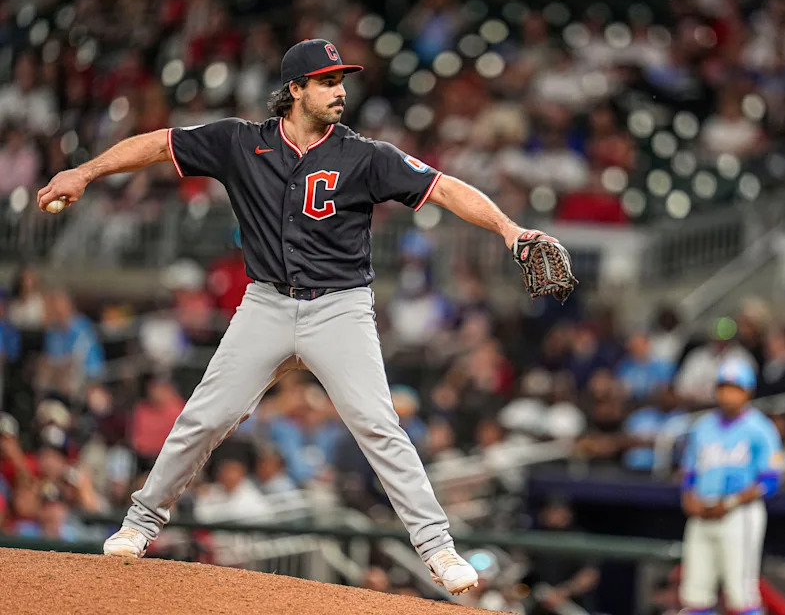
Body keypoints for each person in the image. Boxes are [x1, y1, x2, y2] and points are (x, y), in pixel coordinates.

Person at [37, 38, 568, 595]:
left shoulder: (365, 155)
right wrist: (87, 171)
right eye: (326, 81)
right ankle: (139, 525)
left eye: (341, 81)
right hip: (266, 303)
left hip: (339, 308)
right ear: (294, 89)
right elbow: (158, 144)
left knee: (379, 426)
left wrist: (510, 229)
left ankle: (438, 549)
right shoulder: (240, 142)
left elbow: (443, 188)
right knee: (204, 417)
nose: (339, 91)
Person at [679, 358, 783, 615]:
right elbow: (689, 472)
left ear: (748, 391)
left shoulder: (761, 429)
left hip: (740, 514)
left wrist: (730, 503)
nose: (728, 394)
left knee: (741, 595)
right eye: (724, 387)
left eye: (735, 388)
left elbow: (770, 481)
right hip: (703, 512)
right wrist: (688, 497)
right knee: (695, 594)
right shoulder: (702, 427)